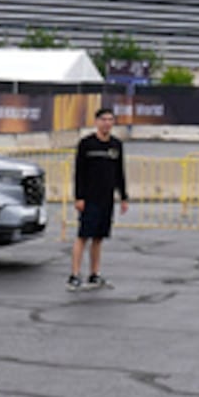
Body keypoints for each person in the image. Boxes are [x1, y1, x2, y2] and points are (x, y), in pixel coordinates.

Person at [68, 107, 129, 291]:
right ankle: (74, 275)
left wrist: (123, 196)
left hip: (107, 198)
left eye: (110, 120)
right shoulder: (87, 144)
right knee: (83, 236)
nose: (107, 123)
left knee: (99, 237)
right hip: (89, 198)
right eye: (103, 119)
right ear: (96, 121)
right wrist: (79, 197)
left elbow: (119, 172)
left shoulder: (116, 145)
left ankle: (94, 274)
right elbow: (78, 172)